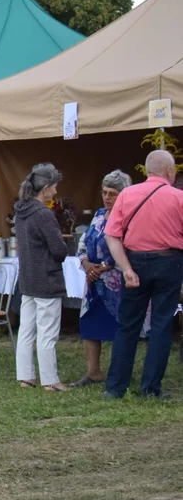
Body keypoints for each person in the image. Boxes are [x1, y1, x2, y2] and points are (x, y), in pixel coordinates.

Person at [104, 150, 183, 399]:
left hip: (135, 262)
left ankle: (115, 388)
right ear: (169, 171)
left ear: (146, 170)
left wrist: (126, 268)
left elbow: (112, 234)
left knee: (127, 326)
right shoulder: (179, 198)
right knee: (161, 325)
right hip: (169, 262)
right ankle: (150, 389)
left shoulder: (127, 194)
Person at [73, 170, 134, 387]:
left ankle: (119, 373)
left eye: (113, 193)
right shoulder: (99, 215)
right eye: (104, 192)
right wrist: (86, 263)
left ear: (124, 194)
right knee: (89, 323)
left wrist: (105, 266)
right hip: (93, 281)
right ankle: (93, 371)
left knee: (118, 326)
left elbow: (129, 246)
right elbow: (83, 243)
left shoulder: (129, 216)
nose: (107, 197)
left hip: (116, 281)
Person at [13, 163, 69, 392]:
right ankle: (51, 380)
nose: (56, 191)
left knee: (26, 330)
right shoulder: (44, 214)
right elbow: (59, 250)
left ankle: (26, 377)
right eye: (54, 187)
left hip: (28, 278)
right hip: (46, 278)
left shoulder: (20, 211)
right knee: (47, 332)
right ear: (45, 188)